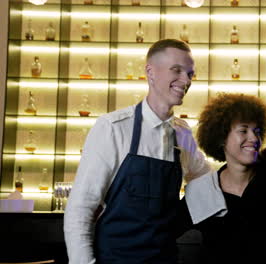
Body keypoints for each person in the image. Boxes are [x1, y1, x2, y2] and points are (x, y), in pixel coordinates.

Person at [64, 39, 227, 264]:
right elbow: (80, 208)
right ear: (150, 72)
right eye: (177, 70)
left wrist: (252, 162)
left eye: (190, 74)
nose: (185, 80)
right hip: (114, 259)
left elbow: (205, 183)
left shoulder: (183, 134)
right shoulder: (112, 128)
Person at [177, 93, 266, 264]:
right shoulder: (202, 190)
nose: (253, 139)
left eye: (257, 132)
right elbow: (166, 233)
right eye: (243, 130)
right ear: (221, 139)